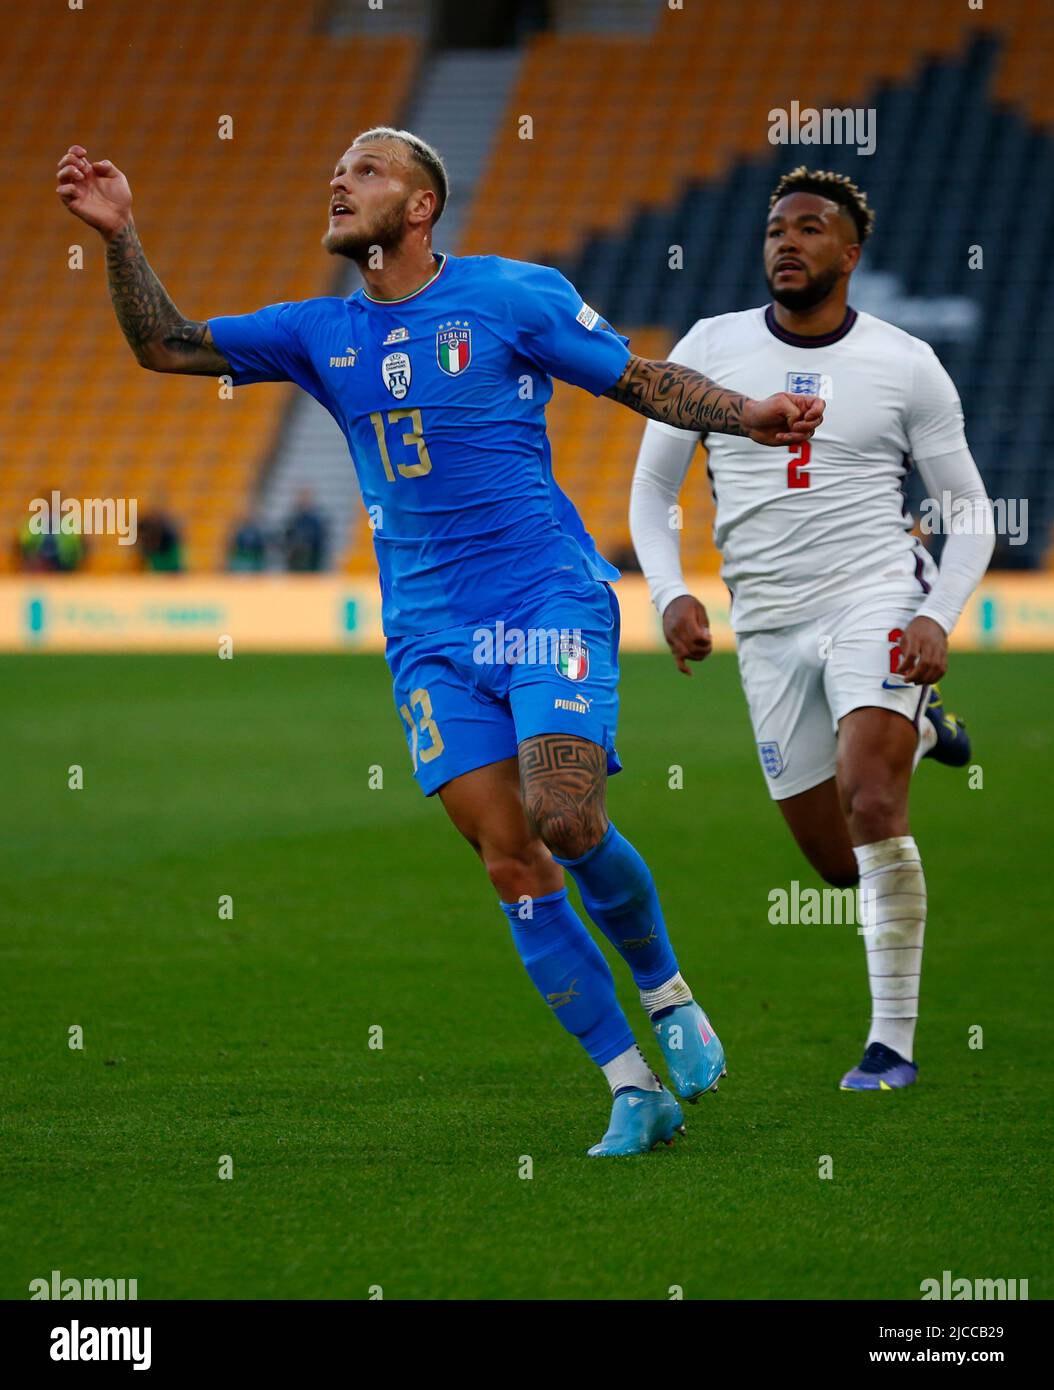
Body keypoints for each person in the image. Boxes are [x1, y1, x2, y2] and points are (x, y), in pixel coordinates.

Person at [57, 130, 824, 1154]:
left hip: (547, 599)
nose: (340, 179)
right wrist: (120, 236)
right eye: (337, 169)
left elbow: (638, 378)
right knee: (510, 863)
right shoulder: (315, 332)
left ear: (419, 208)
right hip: (429, 637)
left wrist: (748, 413)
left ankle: (669, 991)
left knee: (563, 814)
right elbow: (167, 345)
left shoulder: (513, 297)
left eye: (367, 170)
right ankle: (632, 1085)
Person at [629, 167, 994, 1092]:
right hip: (767, 625)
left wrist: (931, 615)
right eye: (775, 229)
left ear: (850, 253)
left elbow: (970, 509)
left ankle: (891, 1047)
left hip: (874, 593)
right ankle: (923, 725)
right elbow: (652, 490)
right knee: (839, 866)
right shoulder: (710, 348)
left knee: (873, 803)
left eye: (810, 227)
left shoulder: (906, 362)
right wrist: (669, 591)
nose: (787, 241)